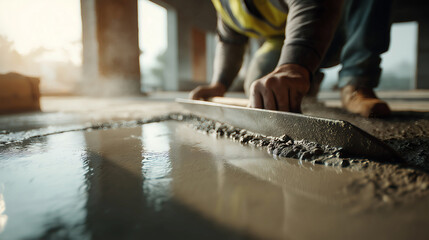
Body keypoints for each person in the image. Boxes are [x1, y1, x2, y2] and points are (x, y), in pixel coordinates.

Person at [189, 0, 392, 118]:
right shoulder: (224, 4)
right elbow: (230, 40)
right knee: (264, 89)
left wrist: (293, 66)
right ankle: (308, 78)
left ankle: (356, 84)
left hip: (340, 25)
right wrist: (219, 84)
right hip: (289, 41)